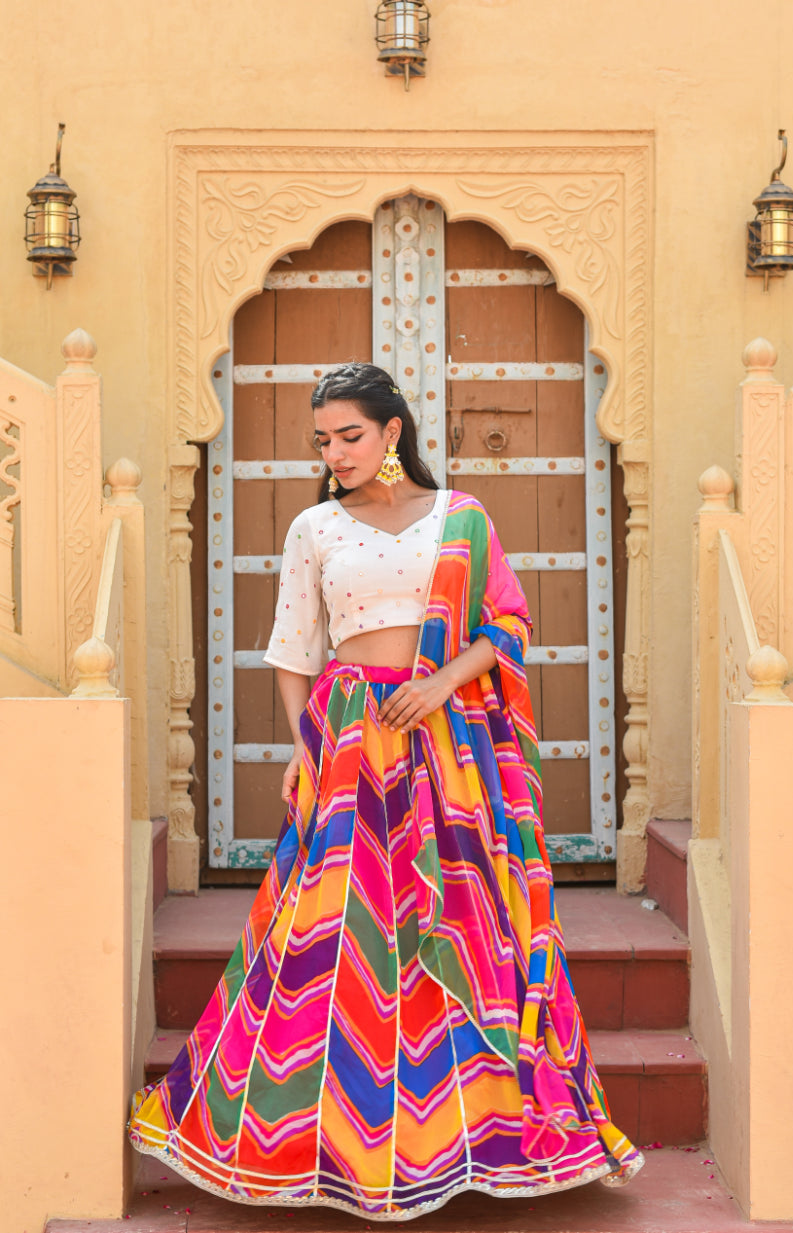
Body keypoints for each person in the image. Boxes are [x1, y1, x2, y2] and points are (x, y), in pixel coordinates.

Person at [128, 362, 644, 1219]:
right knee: (331, 933)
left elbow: (506, 627)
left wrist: (440, 684)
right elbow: (296, 651)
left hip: (447, 743)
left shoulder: (460, 518)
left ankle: (468, 1135)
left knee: (466, 925)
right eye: (322, 439)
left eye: (350, 435)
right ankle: (318, 1140)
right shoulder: (313, 528)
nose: (335, 452)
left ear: (393, 431)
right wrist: (305, 747)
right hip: (351, 743)